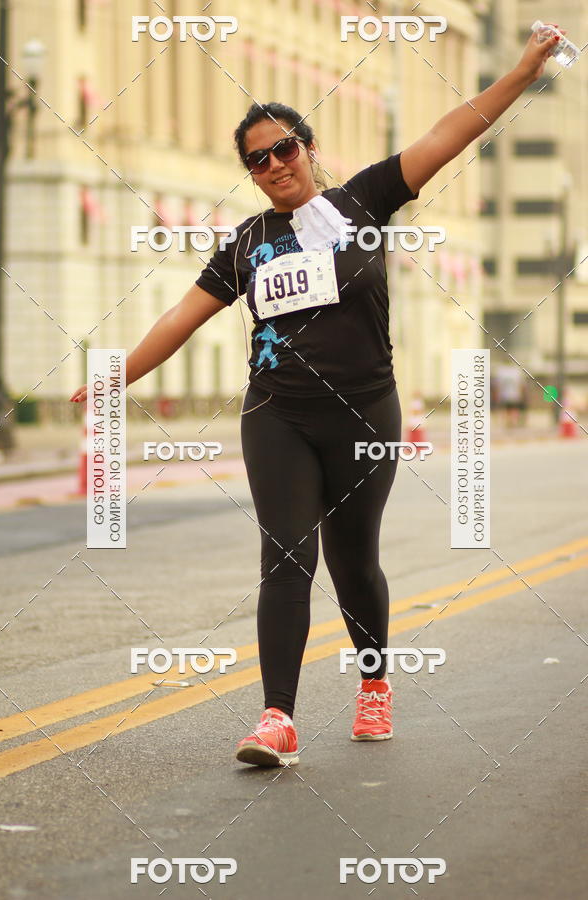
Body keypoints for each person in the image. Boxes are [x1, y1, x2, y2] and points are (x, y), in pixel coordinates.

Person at [70, 27, 561, 767]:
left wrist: (522, 73)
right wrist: (115, 376)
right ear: (250, 173)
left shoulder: (362, 201)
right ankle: (278, 718)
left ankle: (374, 685)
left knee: (353, 562)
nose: (274, 164)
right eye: (257, 159)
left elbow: (449, 132)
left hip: (365, 413)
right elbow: (179, 317)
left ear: (308, 148)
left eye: (284, 149)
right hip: (278, 414)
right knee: (286, 556)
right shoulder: (245, 243)